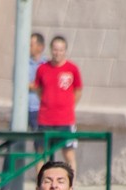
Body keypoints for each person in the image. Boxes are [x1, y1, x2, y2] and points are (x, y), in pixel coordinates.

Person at [33, 36, 83, 176]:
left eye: (60, 50)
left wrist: (68, 106)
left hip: (65, 120)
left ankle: (70, 188)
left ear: (65, 51)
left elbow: (78, 90)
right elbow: (38, 89)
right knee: (41, 154)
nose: (57, 53)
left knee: (68, 154)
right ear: (51, 50)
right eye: (55, 49)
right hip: (45, 119)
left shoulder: (72, 69)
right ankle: (40, 189)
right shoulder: (42, 69)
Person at [28, 32, 45, 131]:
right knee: (16, 141)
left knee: (40, 142)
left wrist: (33, 85)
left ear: (40, 47)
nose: (28, 47)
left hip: (39, 109)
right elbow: (20, 84)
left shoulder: (46, 65)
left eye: (31, 45)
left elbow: (47, 85)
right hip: (23, 109)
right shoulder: (23, 62)